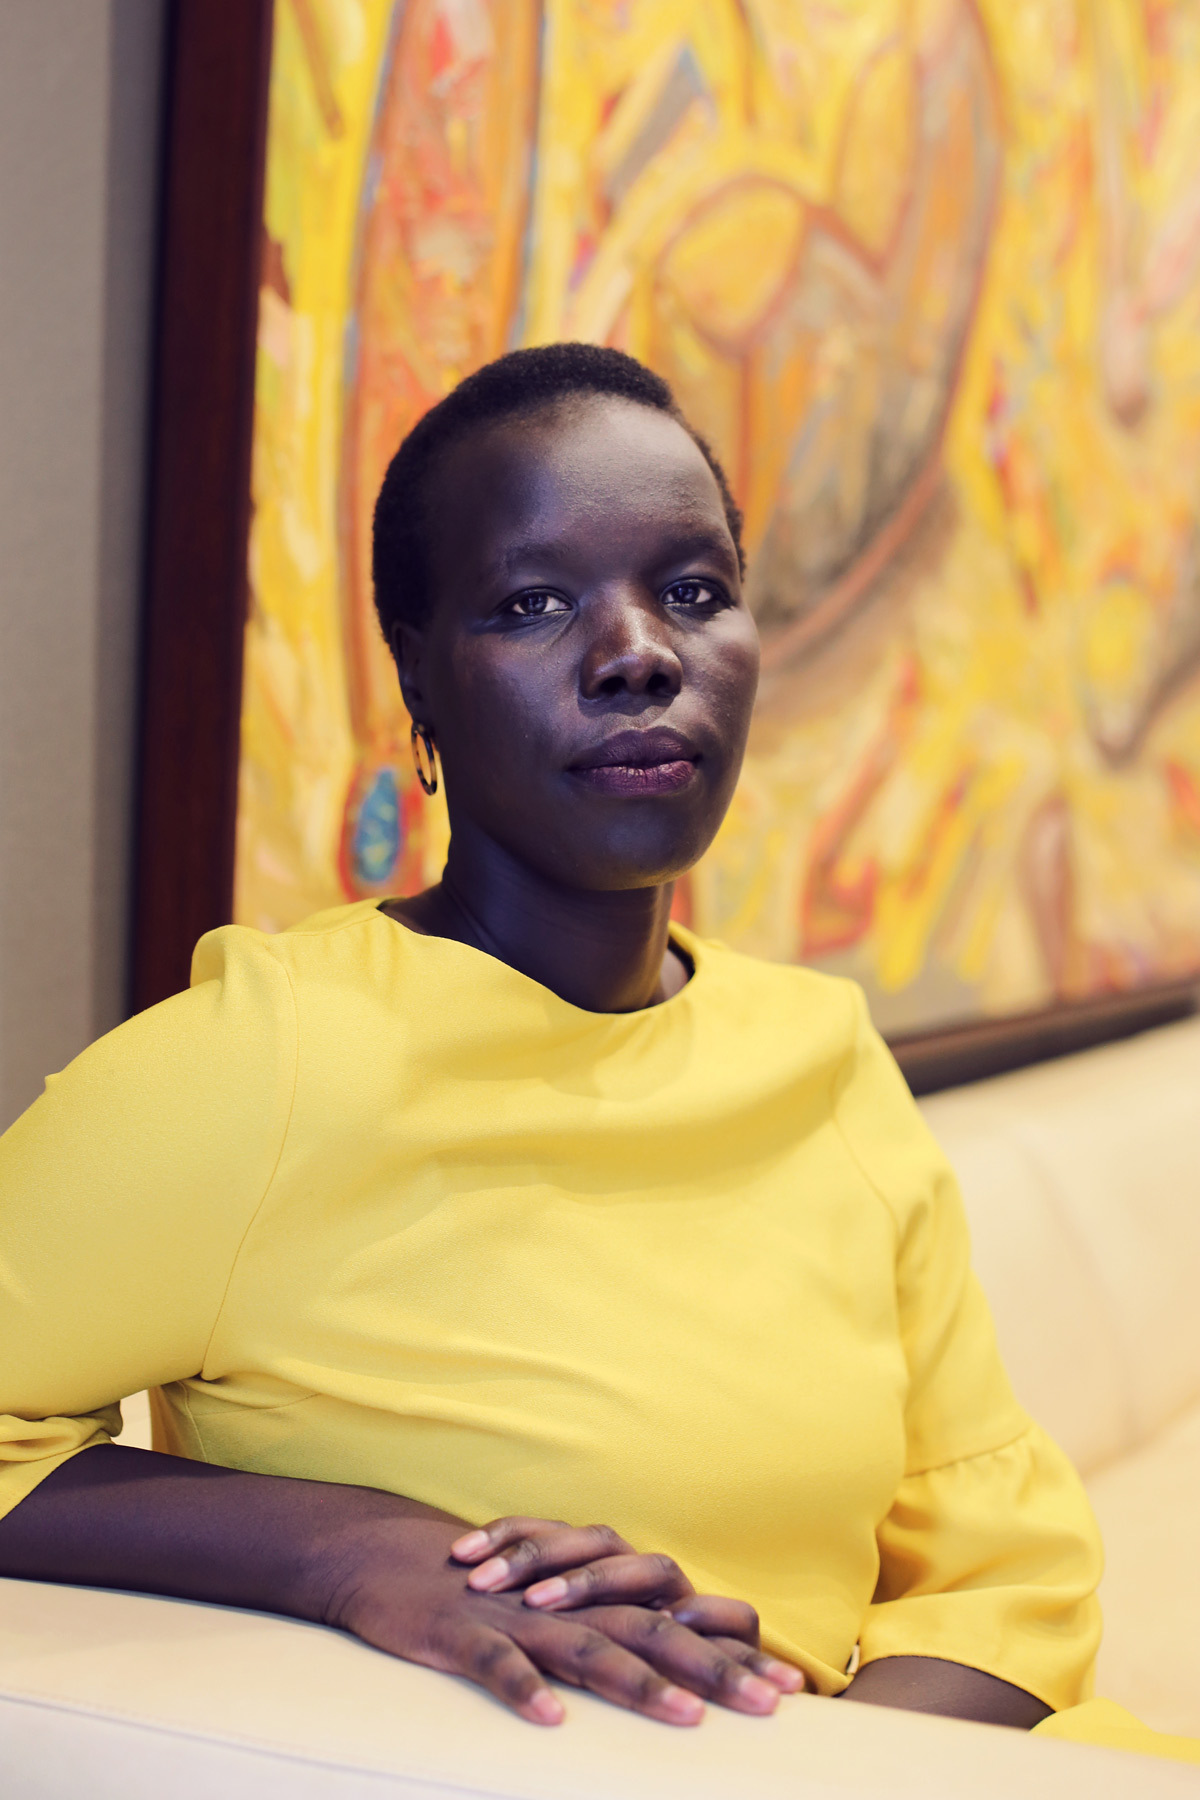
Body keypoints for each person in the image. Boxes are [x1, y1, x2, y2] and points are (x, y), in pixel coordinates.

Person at [0, 345, 1102, 1736]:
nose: (640, 651)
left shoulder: (821, 1057)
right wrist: (343, 1548)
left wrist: (829, 1777)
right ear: (421, 679)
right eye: (532, 603)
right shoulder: (269, 1062)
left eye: (694, 592)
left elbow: (1004, 1576)